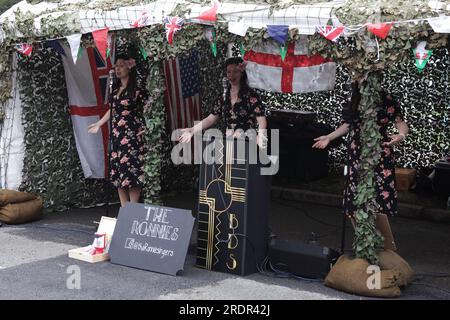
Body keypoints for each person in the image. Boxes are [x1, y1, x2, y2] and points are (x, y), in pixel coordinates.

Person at [312, 75, 409, 219]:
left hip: (380, 150)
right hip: (357, 150)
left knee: (379, 191)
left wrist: (401, 135)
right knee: (358, 191)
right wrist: (329, 137)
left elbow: (400, 122)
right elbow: (348, 124)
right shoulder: (354, 98)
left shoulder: (386, 98)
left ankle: (376, 230)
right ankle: (361, 229)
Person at [88, 54, 147, 207]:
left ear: (129, 67)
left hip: (131, 135)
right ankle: (124, 208)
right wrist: (99, 124)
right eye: (116, 66)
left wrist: (147, 127)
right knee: (119, 173)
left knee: (132, 172)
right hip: (117, 135)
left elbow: (149, 109)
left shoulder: (136, 90)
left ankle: (133, 208)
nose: (117, 69)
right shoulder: (115, 90)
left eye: (121, 65)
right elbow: (112, 110)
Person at [178, 56, 267, 146]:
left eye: (235, 72)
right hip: (228, 143)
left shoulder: (251, 96)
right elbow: (210, 119)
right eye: (229, 72)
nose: (231, 75)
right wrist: (192, 130)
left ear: (241, 73)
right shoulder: (223, 97)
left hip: (248, 143)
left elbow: (262, 121)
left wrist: (260, 136)